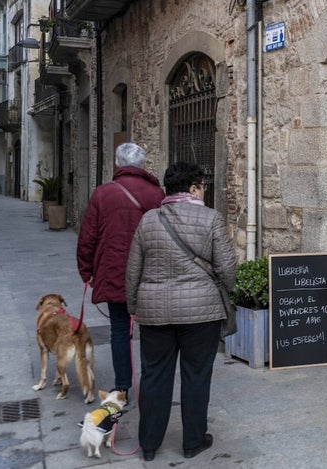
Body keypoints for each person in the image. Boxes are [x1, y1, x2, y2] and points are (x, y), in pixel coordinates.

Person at [126, 161, 237, 462]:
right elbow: (227, 269)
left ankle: (149, 444)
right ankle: (193, 441)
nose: (204, 191)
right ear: (193, 187)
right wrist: (226, 290)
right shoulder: (211, 219)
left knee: (154, 376)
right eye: (202, 186)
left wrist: (134, 306)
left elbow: (133, 270)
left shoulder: (149, 220)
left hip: (154, 313)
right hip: (201, 313)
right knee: (196, 376)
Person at [76, 142, 164, 399]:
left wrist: (87, 271)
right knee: (151, 330)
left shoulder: (102, 194)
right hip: (149, 272)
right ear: (143, 165)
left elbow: (87, 237)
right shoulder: (156, 194)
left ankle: (123, 386)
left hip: (115, 270)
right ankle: (150, 386)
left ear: (117, 163)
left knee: (119, 329)